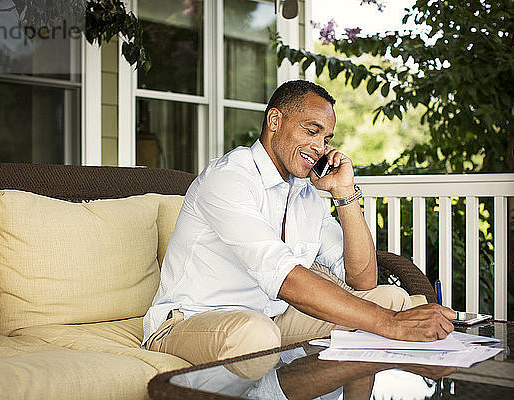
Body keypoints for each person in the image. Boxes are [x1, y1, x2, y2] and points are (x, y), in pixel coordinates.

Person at [143, 80, 456, 366]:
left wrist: (344, 194)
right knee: (258, 335)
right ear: (275, 121)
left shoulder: (304, 193)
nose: (320, 147)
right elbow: (284, 277)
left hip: (272, 317)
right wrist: (388, 322)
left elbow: (364, 280)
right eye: (311, 130)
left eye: (326, 137)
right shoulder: (229, 178)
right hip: (191, 322)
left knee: (390, 298)